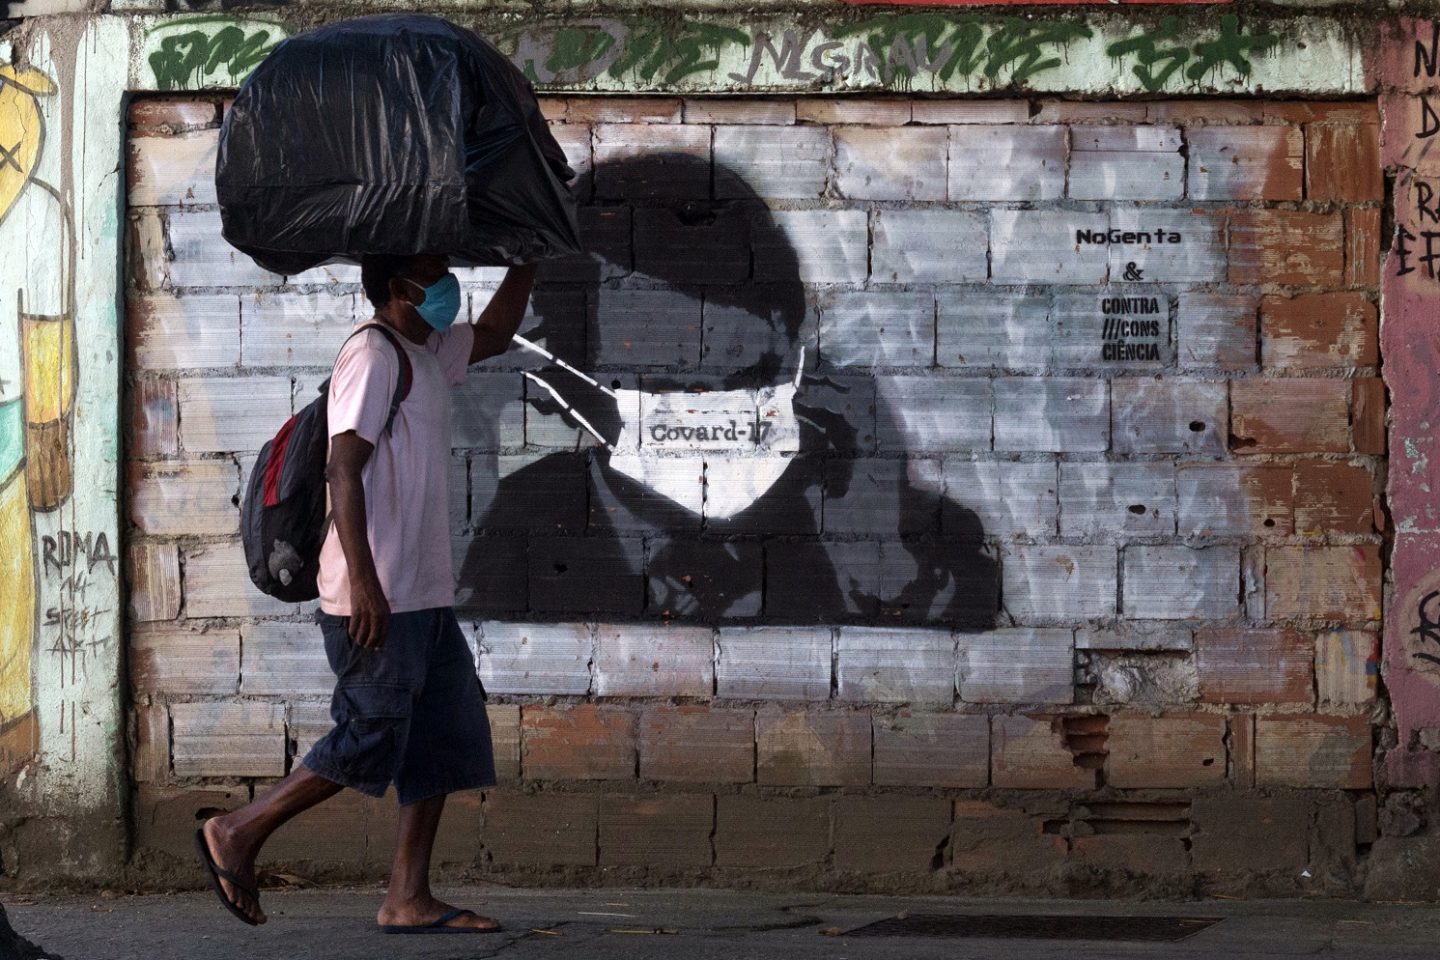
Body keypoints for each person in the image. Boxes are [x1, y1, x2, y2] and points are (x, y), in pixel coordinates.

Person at [458, 155, 998, 625]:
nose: (705, 407)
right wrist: (460, 434)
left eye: (743, 379)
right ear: (573, 379)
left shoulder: (913, 525)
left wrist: (875, 529)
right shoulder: (519, 525)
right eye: (662, 386)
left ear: (793, 357)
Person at [196, 254, 536, 933]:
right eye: (430, 273)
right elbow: (343, 471)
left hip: (424, 596)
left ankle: (407, 898)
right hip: (375, 596)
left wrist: (528, 260)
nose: (444, 283)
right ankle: (237, 830)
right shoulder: (374, 354)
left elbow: (494, 332)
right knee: (369, 735)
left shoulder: (428, 349)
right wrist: (368, 585)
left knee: (445, 737)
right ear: (395, 289)